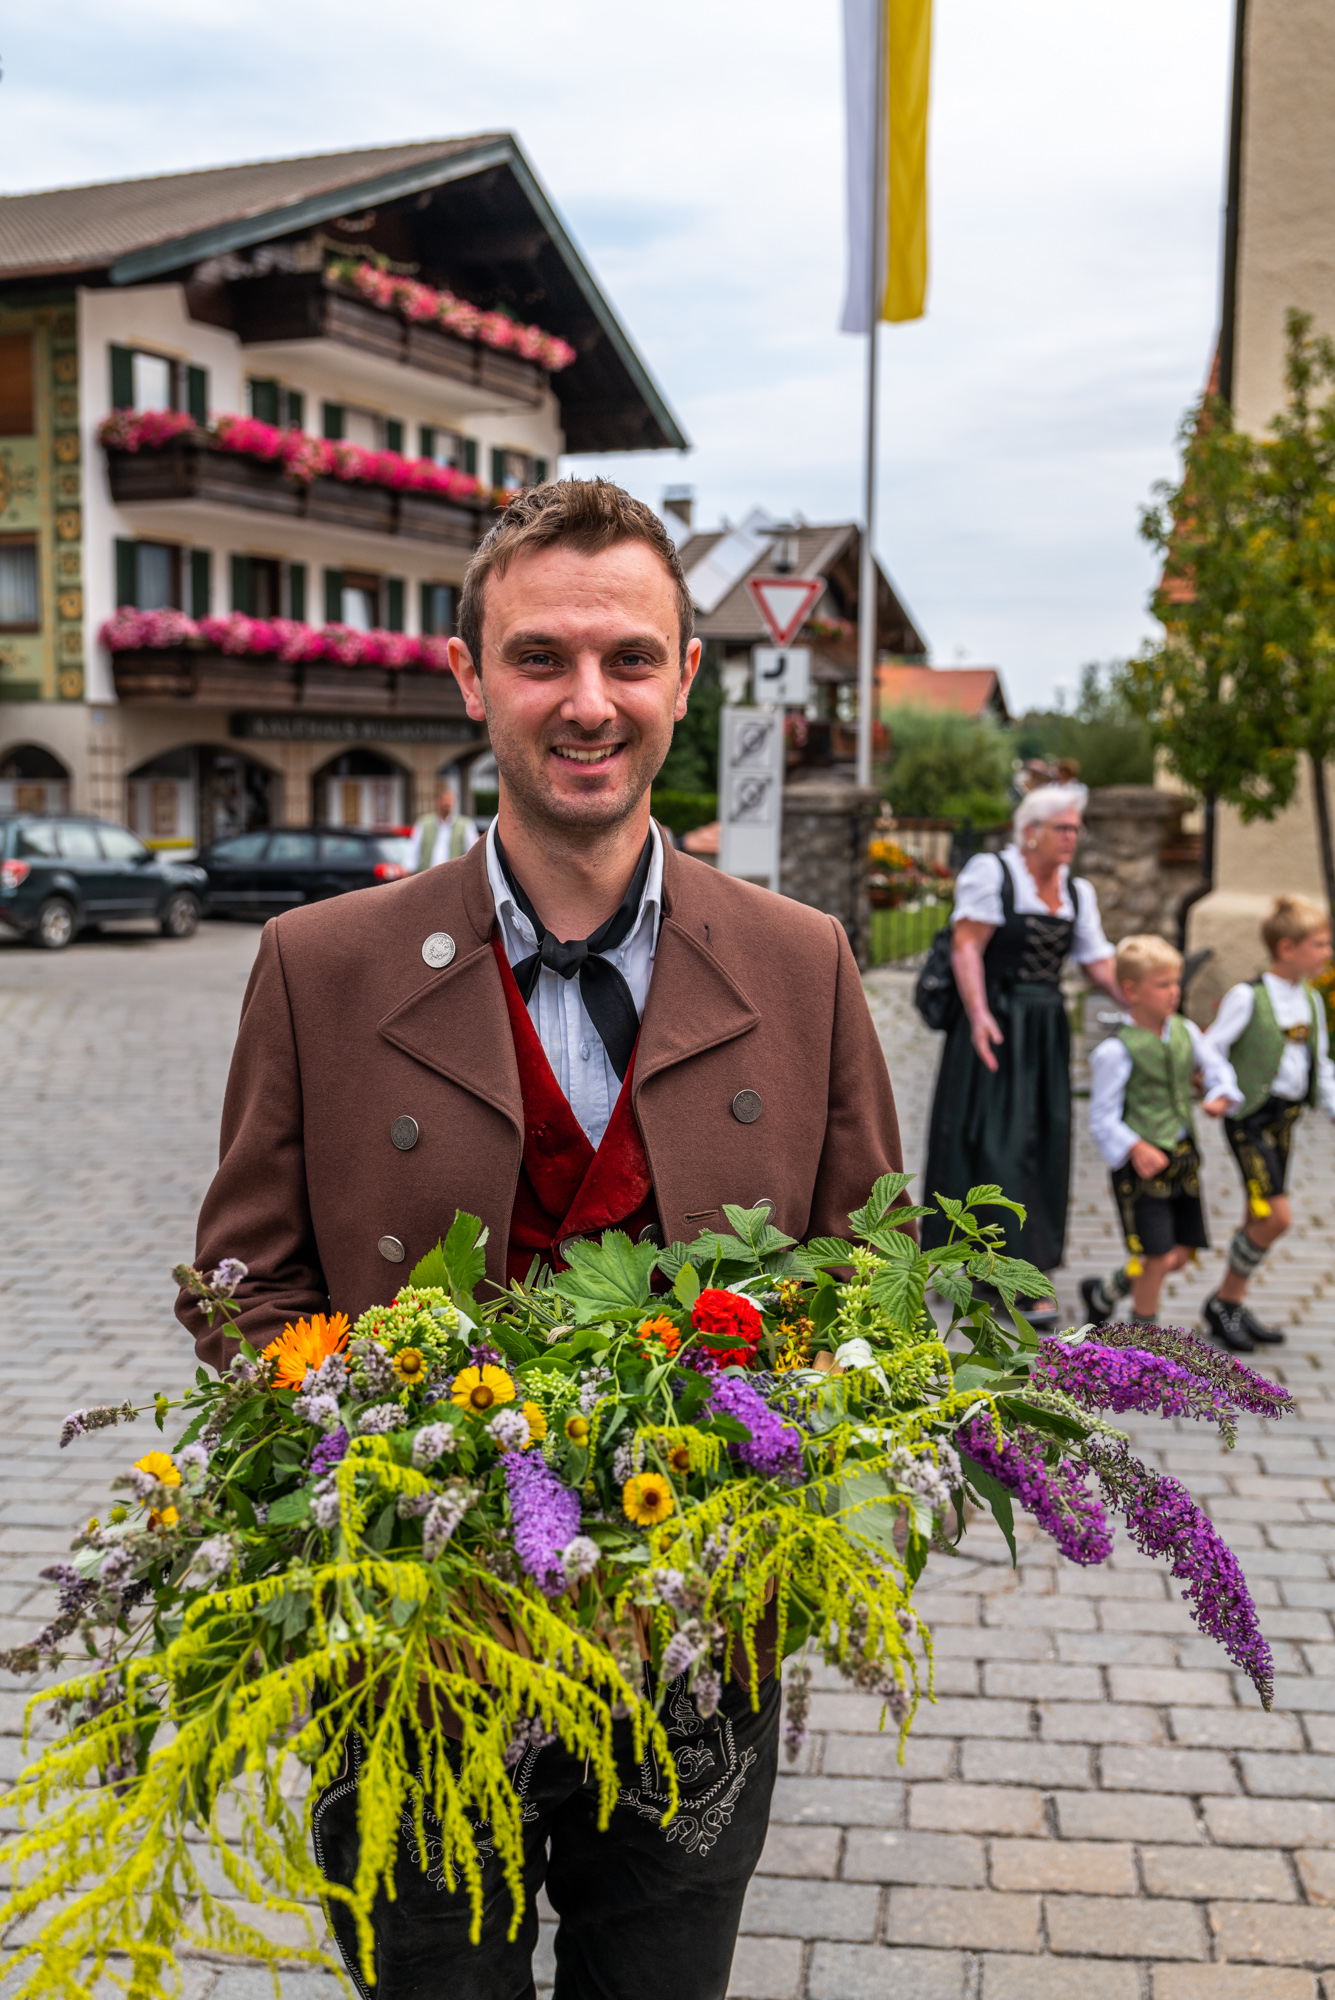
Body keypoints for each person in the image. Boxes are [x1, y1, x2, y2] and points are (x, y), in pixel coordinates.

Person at [176, 477, 906, 2000]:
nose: (588, 701)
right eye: (540, 658)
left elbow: (873, 1291)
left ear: (684, 678)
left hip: (694, 1656)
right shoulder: (320, 964)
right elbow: (248, 1285)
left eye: (628, 657)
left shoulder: (802, 962)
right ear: (468, 676)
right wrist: (371, 1499)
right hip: (413, 1650)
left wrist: (765, 1539)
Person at [921, 783, 1121, 1319]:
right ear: (1031, 832)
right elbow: (967, 945)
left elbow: (1097, 963)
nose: (1072, 837)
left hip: (1046, 1029)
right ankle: (998, 1269)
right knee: (993, 1141)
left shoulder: (1077, 891)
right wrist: (979, 1014)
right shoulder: (992, 873)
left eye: (1076, 828)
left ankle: (1024, 1265)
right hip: (996, 1021)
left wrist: (1147, 1006)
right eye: (1062, 828)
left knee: (1043, 1140)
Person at [1198, 894, 1335, 1352]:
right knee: (1276, 1217)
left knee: (1256, 1214)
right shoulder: (1248, 996)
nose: (1327, 952)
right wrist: (1221, 1089)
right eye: (1320, 944)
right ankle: (1223, 1299)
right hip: (1251, 1119)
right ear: (1287, 948)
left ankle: (1232, 1304)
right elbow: (1211, 1047)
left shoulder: (1311, 1000)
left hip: (1285, 1121)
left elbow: (1321, 1061)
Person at [1081, 935, 1240, 1330]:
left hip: (1183, 1158)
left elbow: (1217, 1068)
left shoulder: (1186, 1032)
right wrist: (1134, 1146)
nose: (1173, 992)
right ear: (1131, 990)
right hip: (1142, 1168)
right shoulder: (1117, 1051)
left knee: (1179, 1254)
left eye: (1176, 983)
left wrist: (1220, 1093)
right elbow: (1101, 1116)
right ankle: (1144, 1338)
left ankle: (1105, 1291)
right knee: (1154, 1256)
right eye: (1162, 984)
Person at [406, 776, 479, 870]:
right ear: (437, 802)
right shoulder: (424, 823)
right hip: (428, 873)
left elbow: (472, 851)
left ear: (454, 803)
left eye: (449, 801)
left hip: (453, 874)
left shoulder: (465, 825)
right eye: (444, 801)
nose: (446, 804)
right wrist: (408, 868)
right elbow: (413, 851)